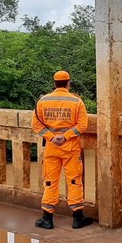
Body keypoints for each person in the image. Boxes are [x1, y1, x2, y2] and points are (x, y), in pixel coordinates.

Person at [32, 70, 93, 229]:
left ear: (54, 84)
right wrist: (65, 136)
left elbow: (36, 125)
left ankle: (47, 218)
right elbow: (82, 125)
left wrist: (52, 137)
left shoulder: (43, 101)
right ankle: (77, 218)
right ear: (68, 83)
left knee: (50, 181)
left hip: (52, 148)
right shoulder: (76, 101)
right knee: (74, 180)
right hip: (70, 147)